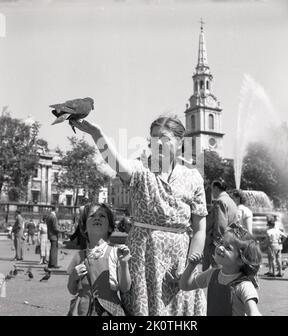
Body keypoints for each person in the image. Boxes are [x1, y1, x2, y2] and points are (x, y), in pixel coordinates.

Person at [71, 116, 208, 316]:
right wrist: (97, 134)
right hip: (143, 258)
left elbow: (200, 229)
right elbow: (115, 162)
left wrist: (189, 266)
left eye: (164, 137)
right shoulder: (141, 169)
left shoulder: (193, 177)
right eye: (153, 137)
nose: (158, 142)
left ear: (180, 143)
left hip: (179, 260)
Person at [180, 226, 262, 316]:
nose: (220, 248)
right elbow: (185, 286)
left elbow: (253, 312)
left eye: (228, 248)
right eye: (221, 243)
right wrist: (191, 266)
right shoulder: (212, 274)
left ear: (241, 260)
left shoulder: (244, 285)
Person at [67, 203, 131, 316]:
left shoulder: (116, 252)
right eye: (92, 215)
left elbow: (124, 288)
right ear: (85, 228)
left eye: (102, 215)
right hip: (84, 311)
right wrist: (73, 277)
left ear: (110, 227)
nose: (97, 217)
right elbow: (72, 290)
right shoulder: (79, 256)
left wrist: (124, 264)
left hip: (110, 311)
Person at [203, 179, 238, 271]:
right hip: (229, 238)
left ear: (215, 188)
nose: (212, 192)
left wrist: (217, 242)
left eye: (212, 189)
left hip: (217, 241)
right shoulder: (231, 201)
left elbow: (220, 224)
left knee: (217, 270)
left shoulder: (220, 201)